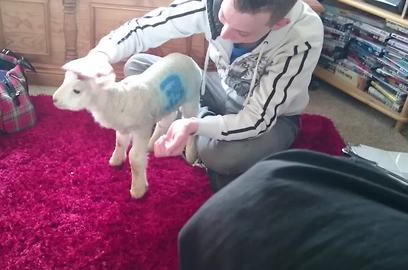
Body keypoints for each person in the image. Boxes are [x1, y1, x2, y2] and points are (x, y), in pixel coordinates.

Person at [63, 0, 324, 190]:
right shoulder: (211, 5)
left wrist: (193, 124)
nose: (224, 35)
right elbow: (143, 28)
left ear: (279, 23)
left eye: (242, 33)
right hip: (214, 85)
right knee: (137, 67)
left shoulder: (302, 37)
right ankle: (186, 118)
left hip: (270, 116)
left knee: (222, 157)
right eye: (223, 18)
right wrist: (99, 56)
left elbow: (257, 119)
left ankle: (186, 121)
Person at [178, 149, 408, 269]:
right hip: (272, 177)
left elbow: (257, 119)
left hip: (262, 127)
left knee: (227, 155)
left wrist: (200, 125)